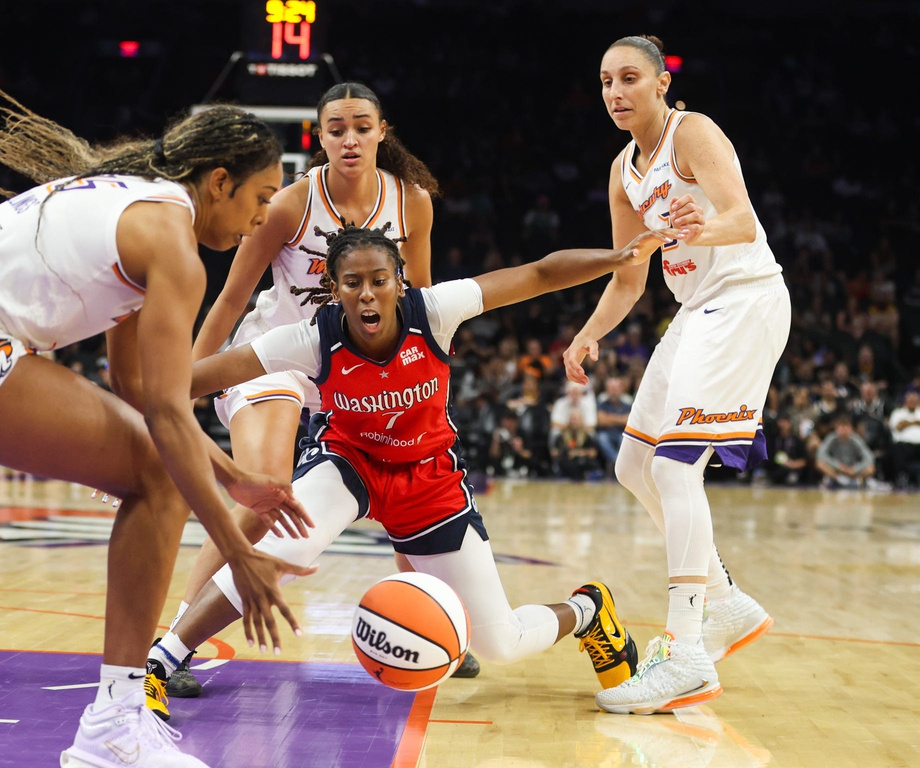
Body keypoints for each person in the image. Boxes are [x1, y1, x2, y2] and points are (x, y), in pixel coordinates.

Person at [0, 89, 317, 768]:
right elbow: (166, 416)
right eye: (260, 196)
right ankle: (115, 730)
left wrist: (231, 472)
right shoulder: (173, 245)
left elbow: (139, 388)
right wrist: (234, 551)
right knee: (156, 475)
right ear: (218, 183)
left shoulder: (130, 199)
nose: (262, 216)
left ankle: (115, 731)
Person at [144, 223, 680, 720]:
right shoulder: (311, 338)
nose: (368, 293)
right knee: (285, 541)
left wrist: (617, 257)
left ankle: (588, 611)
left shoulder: (436, 311)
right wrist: (133, 424)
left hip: (428, 479)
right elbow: (193, 379)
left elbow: (538, 273)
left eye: (380, 279)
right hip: (349, 463)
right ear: (334, 288)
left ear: (399, 282)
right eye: (353, 282)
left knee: (500, 643)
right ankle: (160, 663)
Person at [159, 81, 483, 695]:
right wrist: (180, 392)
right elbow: (230, 298)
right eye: (337, 129)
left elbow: (420, 298)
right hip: (279, 357)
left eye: (362, 126)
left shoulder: (412, 201)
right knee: (268, 490)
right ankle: (175, 638)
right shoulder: (289, 205)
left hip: (363, 366)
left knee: (405, 481)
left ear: (382, 131)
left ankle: (430, 621)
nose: (350, 138)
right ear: (320, 138)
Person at [563, 35, 792, 715]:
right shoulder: (622, 170)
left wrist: (703, 225)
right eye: (606, 81)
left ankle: (688, 652)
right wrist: (588, 333)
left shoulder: (693, 132)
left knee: (672, 467)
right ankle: (723, 601)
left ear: (662, 83)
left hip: (746, 299)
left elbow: (743, 219)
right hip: (698, 311)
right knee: (633, 466)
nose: (616, 92)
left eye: (630, 78)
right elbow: (630, 274)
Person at [814, 413, 878, 489]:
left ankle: (857, 480)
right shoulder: (831, 438)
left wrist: (854, 469)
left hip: (853, 471)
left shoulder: (856, 439)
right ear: (836, 428)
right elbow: (820, 454)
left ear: (851, 429)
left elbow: (869, 458)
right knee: (819, 464)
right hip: (836, 470)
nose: (843, 431)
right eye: (841, 427)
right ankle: (837, 479)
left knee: (871, 468)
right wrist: (838, 466)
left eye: (846, 427)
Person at [888, 387, 920, 489]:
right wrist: (916, 422)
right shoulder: (898, 413)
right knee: (897, 449)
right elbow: (898, 426)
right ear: (905, 401)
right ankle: (901, 477)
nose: (911, 402)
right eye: (909, 400)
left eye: (914, 400)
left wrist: (907, 423)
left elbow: (903, 424)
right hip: (904, 445)